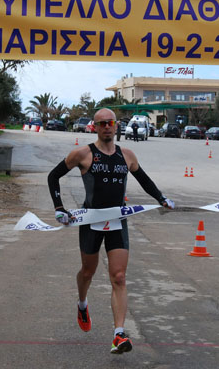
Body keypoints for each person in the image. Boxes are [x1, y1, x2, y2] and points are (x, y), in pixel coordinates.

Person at [47, 108, 174, 354]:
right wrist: (59, 208)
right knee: (88, 272)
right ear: (95, 127)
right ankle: (82, 303)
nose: (107, 126)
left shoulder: (126, 155)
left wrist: (161, 197)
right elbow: (53, 176)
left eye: (111, 123)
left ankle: (118, 334)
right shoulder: (83, 154)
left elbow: (145, 180)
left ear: (116, 126)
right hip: (91, 221)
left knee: (119, 277)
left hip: (117, 220)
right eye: (102, 123)